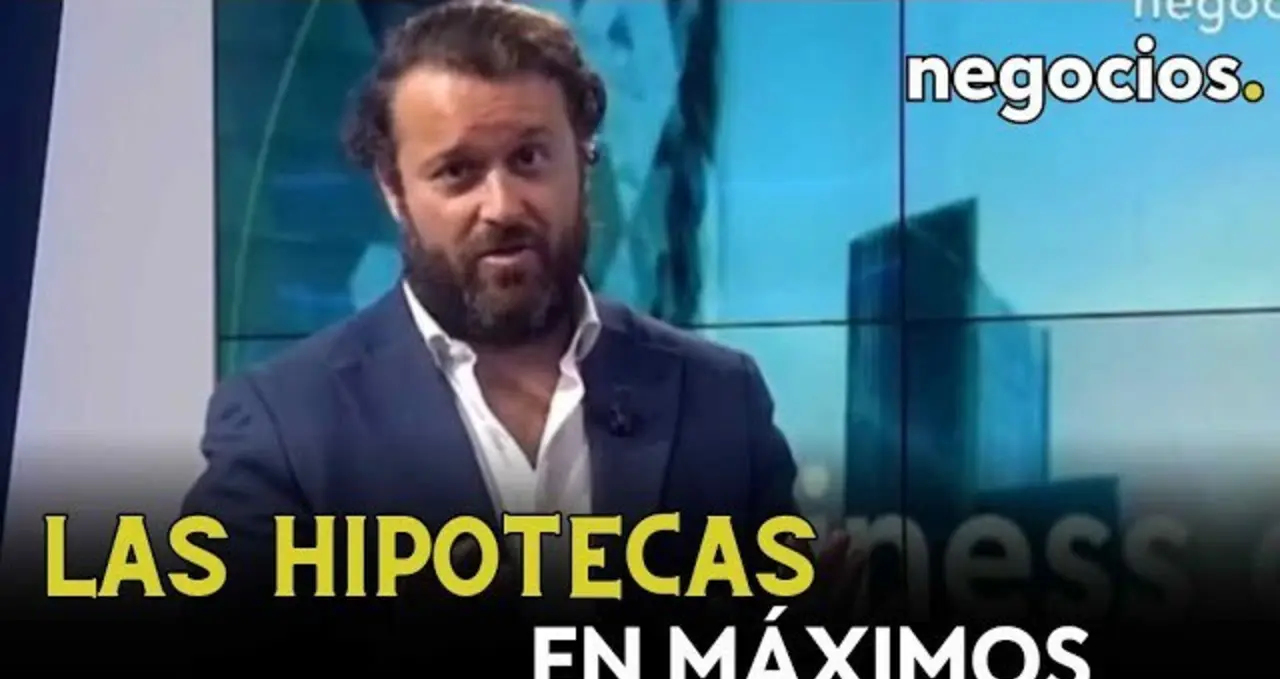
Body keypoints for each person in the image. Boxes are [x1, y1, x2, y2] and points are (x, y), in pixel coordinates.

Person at [184, 0, 861, 631]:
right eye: (458, 171)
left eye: (530, 158)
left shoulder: (719, 396)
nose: (503, 206)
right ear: (394, 189)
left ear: (584, 159)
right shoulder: (285, 426)